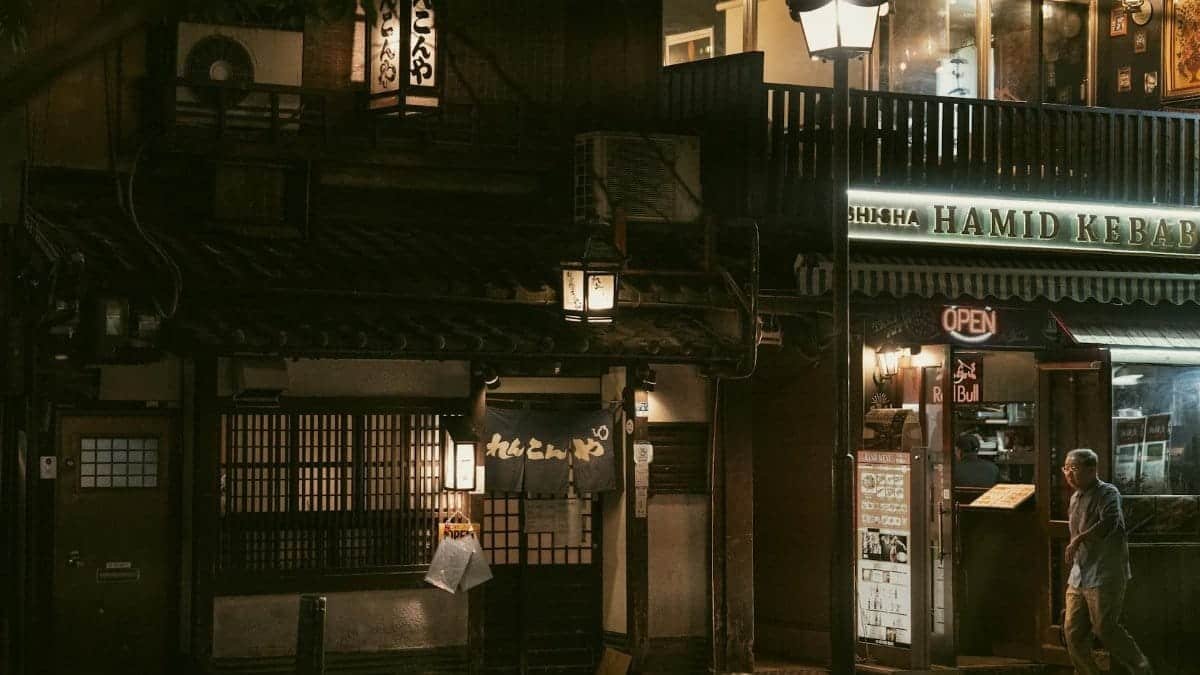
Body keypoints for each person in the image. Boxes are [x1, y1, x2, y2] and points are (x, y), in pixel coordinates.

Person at [1062, 448, 1152, 675]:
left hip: (1105, 573)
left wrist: (1080, 539)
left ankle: (1142, 669)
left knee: (1105, 628)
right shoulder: (1075, 497)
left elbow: (1109, 522)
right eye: (1066, 469)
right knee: (1072, 632)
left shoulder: (1108, 493)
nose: (1068, 474)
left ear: (1092, 470)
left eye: (1074, 468)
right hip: (1079, 574)